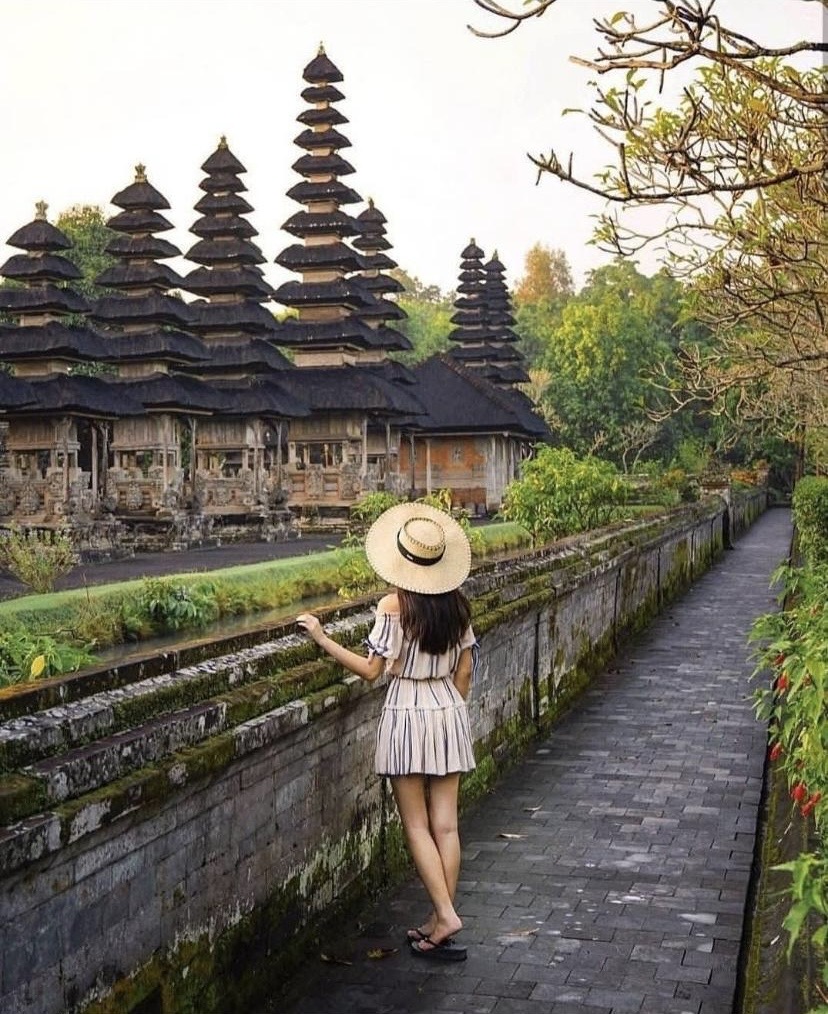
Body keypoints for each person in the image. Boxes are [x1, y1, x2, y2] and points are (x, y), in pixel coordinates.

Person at [297, 502, 477, 963]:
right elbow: (465, 672)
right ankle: (441, 921)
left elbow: (372, 671)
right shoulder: (458, 604)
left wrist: (322, 638)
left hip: (407, 709)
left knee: (416, 824)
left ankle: (445, 915)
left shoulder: (393, 607)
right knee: (447, 825)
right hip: (448, 709)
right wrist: (451, 708)